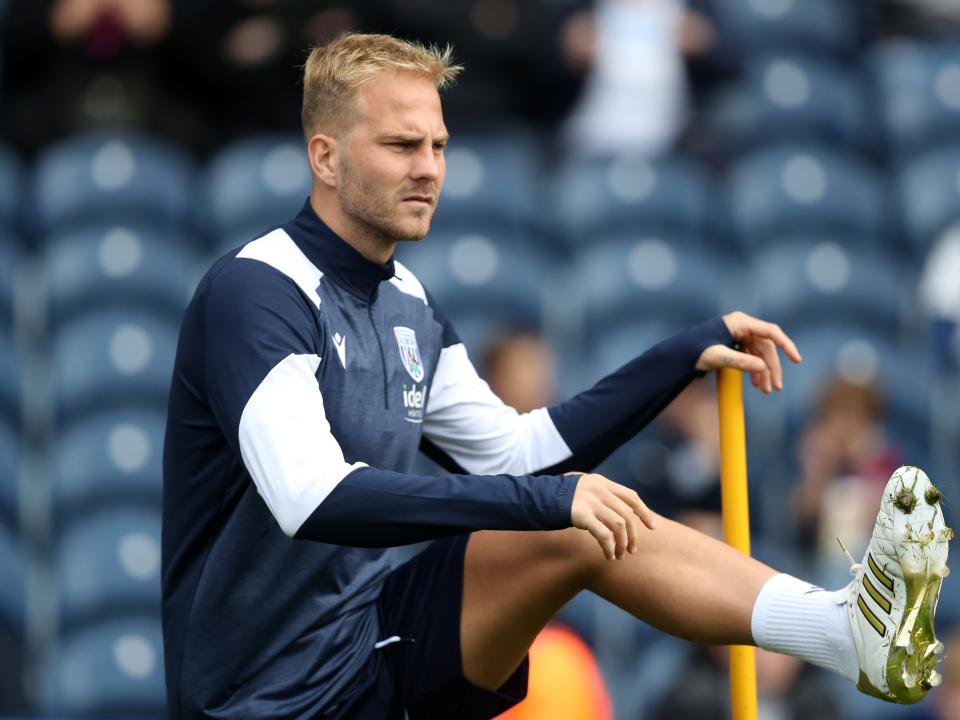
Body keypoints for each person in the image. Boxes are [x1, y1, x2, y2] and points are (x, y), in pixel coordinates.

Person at [161, 32, 951, 719]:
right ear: (324, 157)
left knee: (575, 520)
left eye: (438, 145)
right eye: (402, 147)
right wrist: (546, 498)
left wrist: (676, 357)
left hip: (367, 649)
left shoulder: (408, 302)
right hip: (258, 700)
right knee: (559, 513)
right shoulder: (256, 289)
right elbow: (312, 496)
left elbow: (518, 456)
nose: (430, 169)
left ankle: (848, 634)